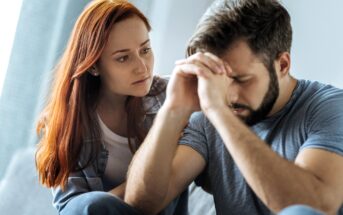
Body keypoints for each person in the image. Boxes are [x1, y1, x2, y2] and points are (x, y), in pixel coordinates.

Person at [125, 0, 343, 215]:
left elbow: (316, 208)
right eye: (217, 77)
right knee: (97, 204)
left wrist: (219, 113)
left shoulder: (330, 108)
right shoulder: (205, 118)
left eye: (241, 79)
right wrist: (173, 109)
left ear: (283, 65)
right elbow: (141, 204)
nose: (228, 94)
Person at [35, 0, 187, 214]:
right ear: (94, 65)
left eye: (145, 50)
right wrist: (142, 188)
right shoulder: (69, 118)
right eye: (123, 58)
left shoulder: (173, 94)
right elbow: (73, 208)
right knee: (93, 205)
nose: (142, 67)